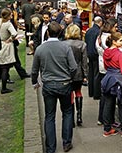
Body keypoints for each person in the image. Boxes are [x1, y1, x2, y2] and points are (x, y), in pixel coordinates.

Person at [31, 21, 77, 153]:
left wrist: (35, 82)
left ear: (47, 32)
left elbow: (34, 70)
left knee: (49, 116)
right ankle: (67, 142)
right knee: (67, 113)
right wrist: (70, 77)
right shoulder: (65, 48)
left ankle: (50, 147)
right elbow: (73, 67)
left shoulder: (40, 49)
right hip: (64, 84)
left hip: (49, 85)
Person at [101, 31, 122, 138]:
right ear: (114, 41)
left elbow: (105, 66)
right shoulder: (120, 54)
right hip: (119, 80)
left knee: (108, 104)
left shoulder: (106, 52)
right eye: (120, 40)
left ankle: (107, 129)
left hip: (108, 78)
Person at [64, 24, 88, 126]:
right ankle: (79, 116)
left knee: (70, 94)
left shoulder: (64, 44)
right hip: (78, 72)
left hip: (67, 72)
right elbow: (84, 61)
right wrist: (85, 75)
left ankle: (71, 118)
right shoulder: (82, 44)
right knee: (78, 91)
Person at [95, 18, 117, 125]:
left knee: (104, 95)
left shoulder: (99, 37)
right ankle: (107, 119)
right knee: (108, 96)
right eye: (115, 26)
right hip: (108, 68)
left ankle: (102, 118)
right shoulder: (108, 38)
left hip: (102, 66)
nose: (117, 28)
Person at [0, 8, 18, 94]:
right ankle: (3, 88)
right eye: (10, 15)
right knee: (5, 68)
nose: (11, 16)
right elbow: (15, 33)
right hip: (5, 45)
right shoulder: (8, 24)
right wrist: (11, 39)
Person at [84, 16, 103, 97]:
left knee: (91, 73)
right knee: (96, 74)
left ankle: (90, 92)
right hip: (96, 54)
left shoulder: (88, 31)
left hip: (89, 53)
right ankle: (96, 93)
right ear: (100, 22)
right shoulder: (98, 32)